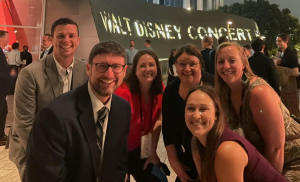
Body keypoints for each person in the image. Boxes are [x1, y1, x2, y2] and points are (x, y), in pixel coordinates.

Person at [25, 40, 131, 181]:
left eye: (116, 67)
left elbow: (118, 162)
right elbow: (44, 177)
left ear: (124, 71)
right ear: (88, 68)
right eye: (101, 66)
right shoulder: (54, 115)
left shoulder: (122, 109)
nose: (109, 74)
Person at [9, 18, 88, 179]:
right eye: (61, 36)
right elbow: (24, 123)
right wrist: (52, 158)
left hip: (69, 147)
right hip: (33, 147)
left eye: (71, 36)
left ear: (78, 40)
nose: (66, 40)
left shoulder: (86, 71)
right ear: (52, 40)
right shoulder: (30, 74)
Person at [215, 42, 300, 180]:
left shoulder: (258, 93)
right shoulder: (225, 94)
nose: (226, 66)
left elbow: (276, 149)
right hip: (262, 161)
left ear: (243, 63)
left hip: (291, 162)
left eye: (232, 60)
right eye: (221, 61)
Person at [186, 85, 287, 182]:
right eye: (191, 108)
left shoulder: (227, 150)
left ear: (216, 114)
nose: (196, 116)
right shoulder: (198, 142)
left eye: (203, 109)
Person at [162, 44, 214, 182]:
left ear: (200, 65)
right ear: (175, 66)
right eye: (182, 64)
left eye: (192, 64)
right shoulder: (171, 92)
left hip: (213, 156)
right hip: (186, 161)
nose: (187, 69)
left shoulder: (214, 85)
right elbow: (167, 130)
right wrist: (174, 162)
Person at [115, 50, 164, 181]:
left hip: (142, 150)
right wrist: (119, 166)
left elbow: (159, 120)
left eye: (151, 65)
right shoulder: (123, 94)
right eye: (142, 65)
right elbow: (112, 132)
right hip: (119, 152)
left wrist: (153, 152)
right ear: (135, 70)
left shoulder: (160, 90)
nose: (147, 69)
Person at [275, 33, 300, 118]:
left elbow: (296, 72)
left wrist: (279, 65)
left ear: (286, 41)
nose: (277, 43)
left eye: (280, 41)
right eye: (277, 41)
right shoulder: (280, 53)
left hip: (291, 87)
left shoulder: (290, 54)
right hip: (284, 86)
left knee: (293, 110)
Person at [0, 30, 13, 146]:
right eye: (7, 37)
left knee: (3, 111)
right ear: (1, 39)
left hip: (2, 90)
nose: (8, 40)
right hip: (0, 89)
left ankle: (1, 134)